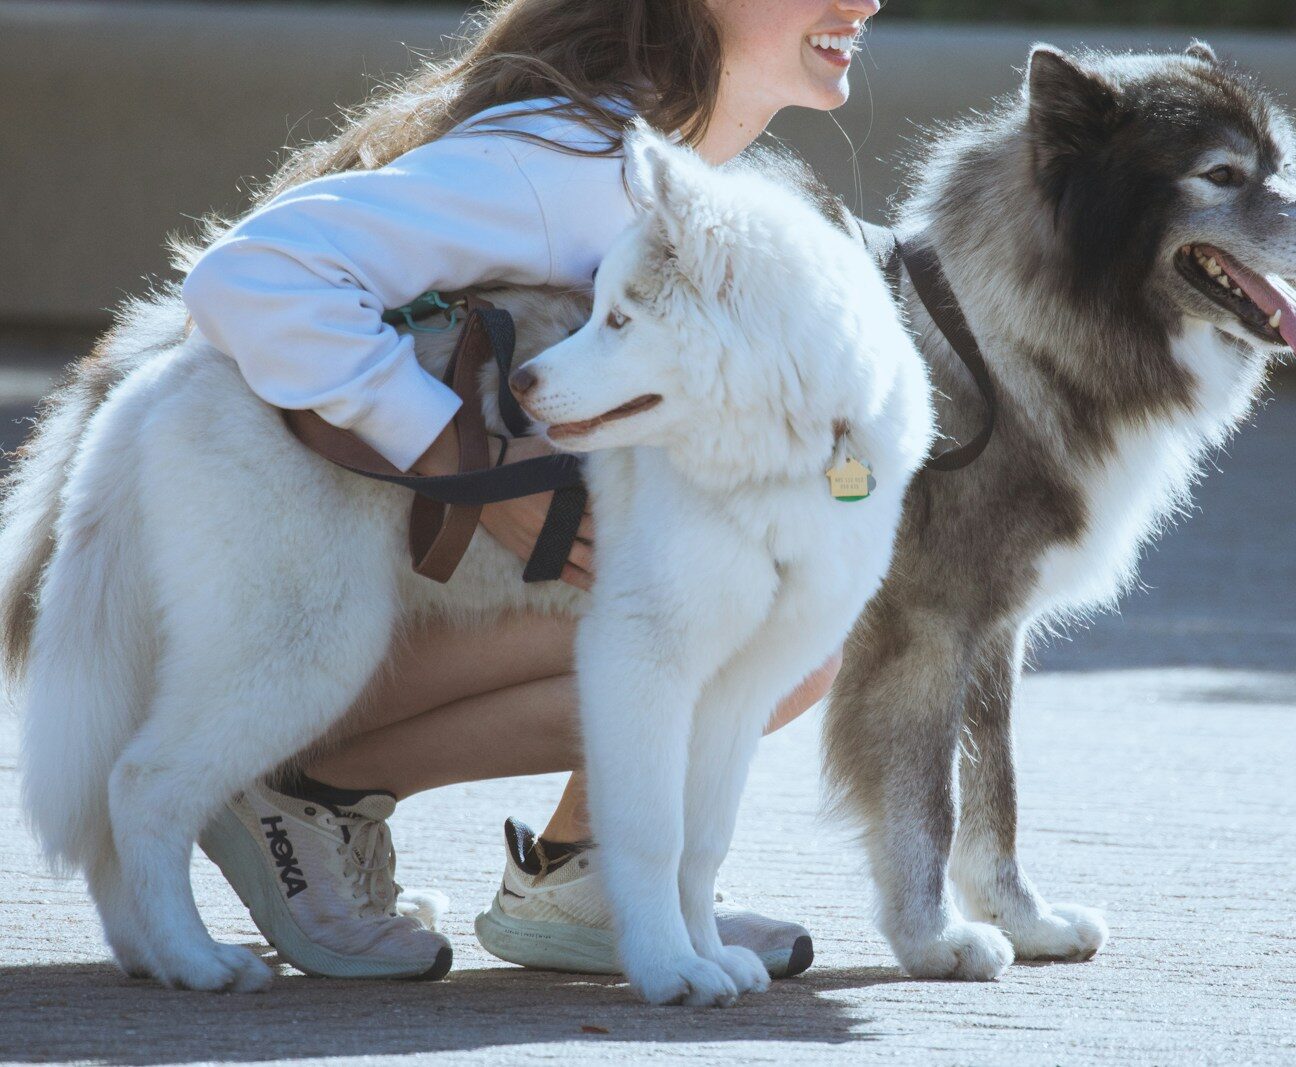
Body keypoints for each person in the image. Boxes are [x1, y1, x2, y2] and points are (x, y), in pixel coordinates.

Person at [180, 0, 881, 982]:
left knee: (791, 604)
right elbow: (249, 275)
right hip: (251, 625)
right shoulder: (565, 164)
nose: (859, 3)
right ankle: (300, 788)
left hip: (341, 589)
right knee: (759, 613)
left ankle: (581, 870)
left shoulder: (664, 170)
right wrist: (464, 466)